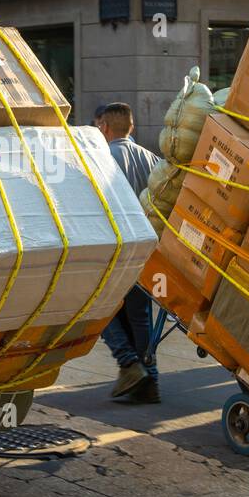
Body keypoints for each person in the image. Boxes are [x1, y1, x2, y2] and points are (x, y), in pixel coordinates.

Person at [95, 102, 162, 404]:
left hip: (115, 250)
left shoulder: (99, 159)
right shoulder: (152, 160)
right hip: (145, 248)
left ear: (104, 127)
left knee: (100, 310)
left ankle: (128, 363)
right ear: (131, 127)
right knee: (140, 316)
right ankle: (151, 380)